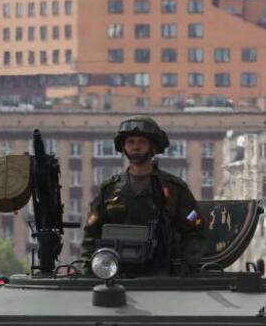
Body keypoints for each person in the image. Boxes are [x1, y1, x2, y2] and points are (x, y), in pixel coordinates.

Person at [81, 116, 205, 275]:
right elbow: (91, 233)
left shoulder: (173, 188)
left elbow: (196, 231)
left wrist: (184, 267)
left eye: (141, 142)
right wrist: (89, 269)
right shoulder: (110, 189)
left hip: (161, 278)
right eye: (130, 142)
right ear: (123, 146)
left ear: (152, 146)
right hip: (116, 275)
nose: (136, 146)